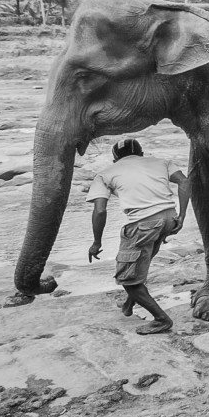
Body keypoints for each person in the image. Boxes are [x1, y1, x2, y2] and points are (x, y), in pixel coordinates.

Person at [86, 138, 190, 335]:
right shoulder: (161, 162)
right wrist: (182, 216)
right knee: (140, 265)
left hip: (143, 225)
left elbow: (100, 210)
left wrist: (96, 242)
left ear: (115, 159)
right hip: (168, 218)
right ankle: (128, 305)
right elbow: (184, 181)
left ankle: (161, 319)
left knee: (128, 279)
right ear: (141, 154)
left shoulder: (106, 173)